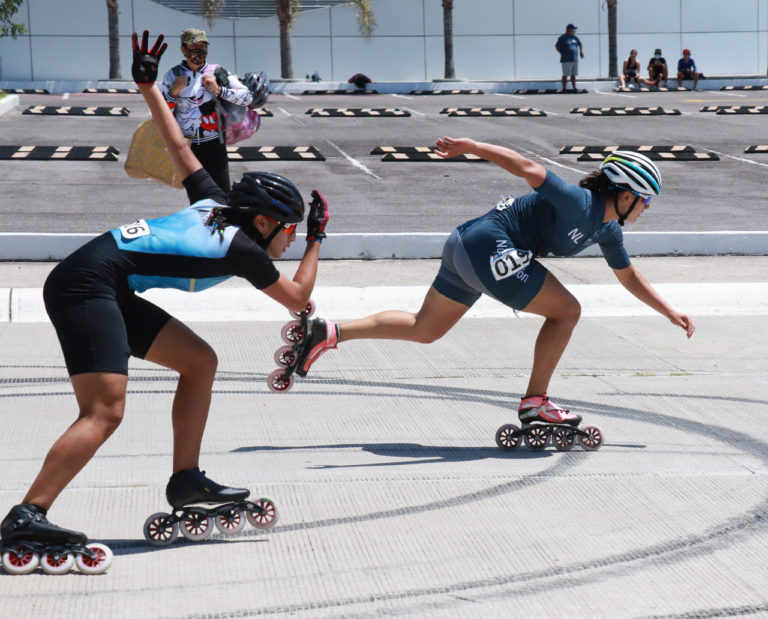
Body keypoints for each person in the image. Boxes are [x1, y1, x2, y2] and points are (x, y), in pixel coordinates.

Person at [0, 31, 330, 561]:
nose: (289, 240)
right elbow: (299, 299)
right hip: (86, 286)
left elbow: (177, 143)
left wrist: (146, 84)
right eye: (288, 231)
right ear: (266, 222)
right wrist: (318, 238)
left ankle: (186, 479)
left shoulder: (215, 201)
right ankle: (26, 515)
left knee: (199, 361)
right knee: (105, 410)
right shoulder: (243, 248)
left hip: (103, 281)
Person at [292, 138, 695, 431]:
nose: (647, 208)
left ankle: (329, 332)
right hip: (490, 246)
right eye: (645, 200)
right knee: (568, 311)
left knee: (425, 329)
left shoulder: (608, 230)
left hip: (466, 245)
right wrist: (469, 145)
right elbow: (526, 167)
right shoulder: (580, 203)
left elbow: (629, 277)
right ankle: (536, 403)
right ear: (625, 195)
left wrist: (669, 311)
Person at [160, 28, 253, 195]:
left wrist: (219, 90)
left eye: (202, 46)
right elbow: (158, 114)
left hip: (214, 143)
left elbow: (247, 97)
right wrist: (173, 93)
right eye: (193, 46)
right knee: (197, 196)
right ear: (183, 49)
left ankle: (220, 222)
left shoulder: (217, 72)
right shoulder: (172, 75)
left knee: (222, 194)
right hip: (186, 146)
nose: (198, 50)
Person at [555, 23, 584, 91]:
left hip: (574, 58)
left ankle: (574, 87)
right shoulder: (563, 37)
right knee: (565, 74)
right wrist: (562, 53)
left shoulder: (575, 37)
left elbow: (580, 44)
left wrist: (581, 51)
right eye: (573, 29)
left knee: (573, 75)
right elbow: (557, 46)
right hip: (566, 59)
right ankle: (564, 88)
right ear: (568, 29)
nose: (574, 31)